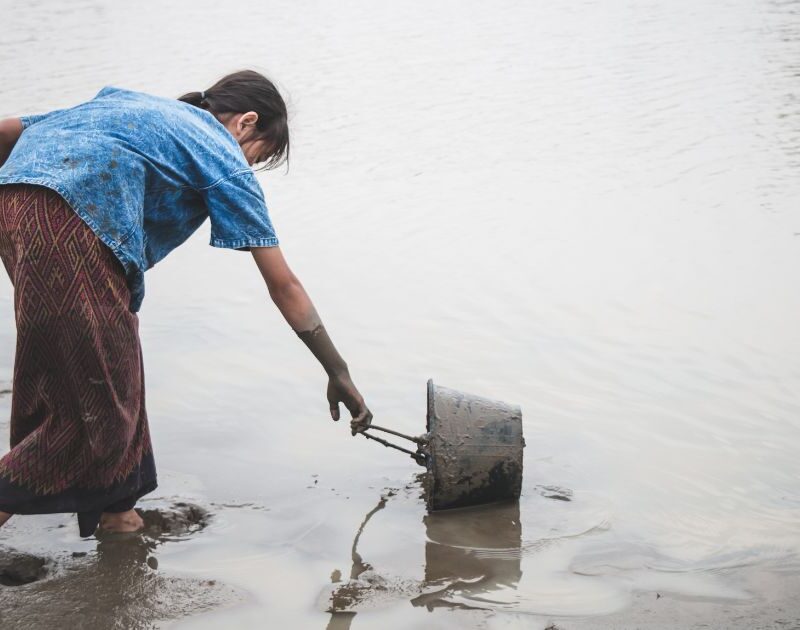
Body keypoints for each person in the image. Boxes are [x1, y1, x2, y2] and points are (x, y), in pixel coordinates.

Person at [0, 70, 372, 537]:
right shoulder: (219, 149)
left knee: (105, 375)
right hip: (76, 228)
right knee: (83, 420)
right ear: (246, 123)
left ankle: (120, 516)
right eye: (259, 155)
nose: (249, 166)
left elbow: (10, 132)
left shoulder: (127, 104)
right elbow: (285, 286)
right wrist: (337, 371)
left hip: (15, 209)